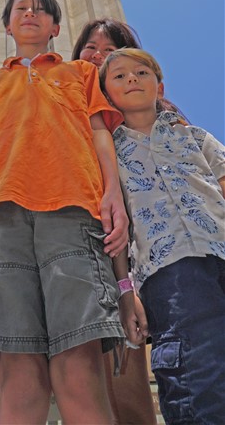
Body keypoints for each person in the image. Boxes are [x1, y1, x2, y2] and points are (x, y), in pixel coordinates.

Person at [0, 0, 129, 425]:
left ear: (56, 27)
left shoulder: (80, 75)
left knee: (79, 361)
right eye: (21, 10)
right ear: (7, 26)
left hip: (74, 211)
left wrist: (112, 194)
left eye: (41, 10)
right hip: (0, 220)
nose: (30, 14)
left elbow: (101, 134)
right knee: (19, 366)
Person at [99, 48, 225, 425]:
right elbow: (115, 227)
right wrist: (125, 290)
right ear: (106, 96)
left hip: (219, 250)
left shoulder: (194, 136)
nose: (132, 79)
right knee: (197, 377)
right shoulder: (108, 151)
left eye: (141, 72)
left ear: (160, 85)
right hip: (168, 274)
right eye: (119, 76)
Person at [72, 19, 157, 425]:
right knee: (85, 391)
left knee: (130, 392)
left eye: (112, 48)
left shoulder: (152, 119)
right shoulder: (69, 115)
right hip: (75, 257)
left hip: (141, 269)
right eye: (90, 47)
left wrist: (127, 288)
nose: (99, 55)